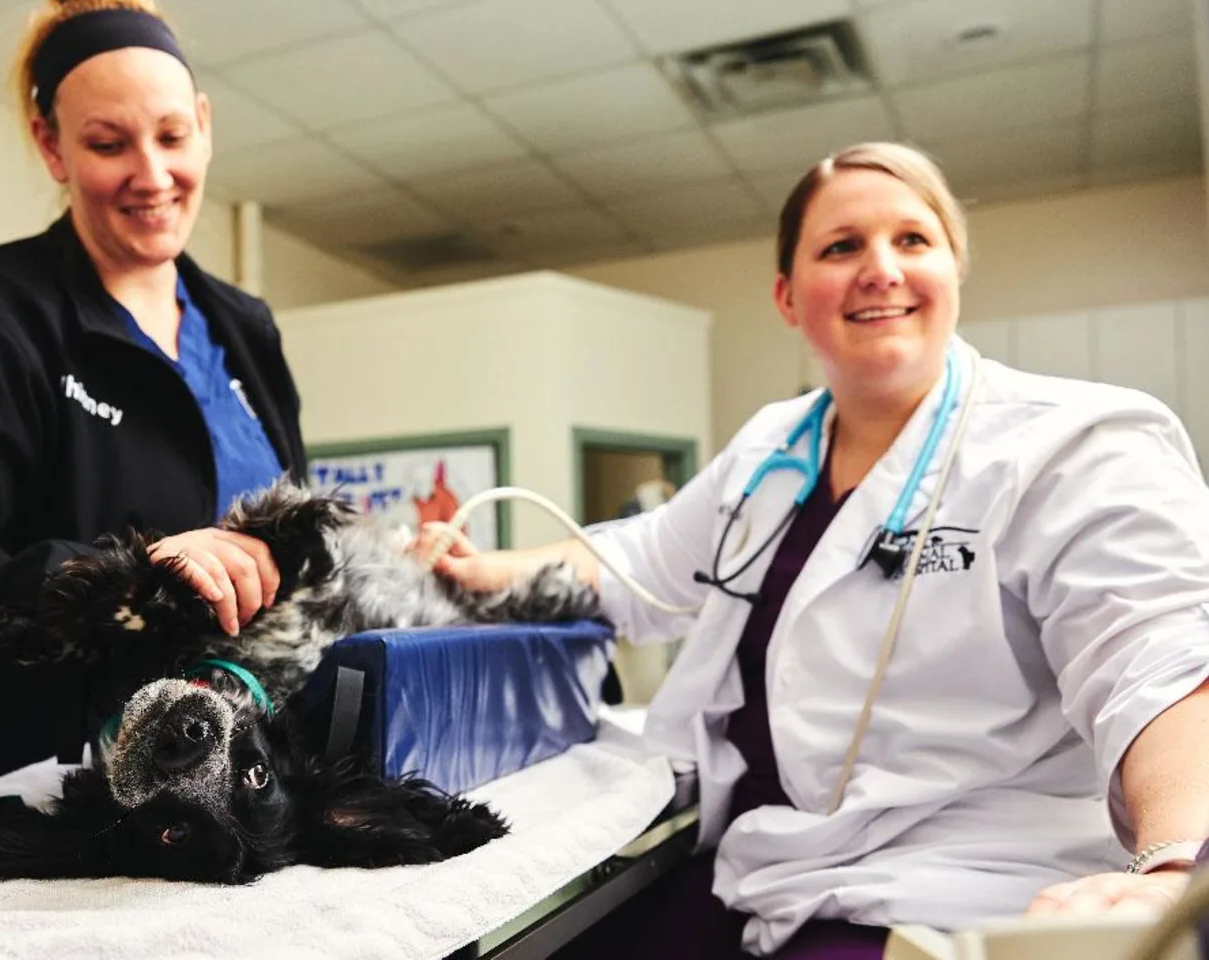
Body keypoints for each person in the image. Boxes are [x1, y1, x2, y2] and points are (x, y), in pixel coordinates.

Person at [419, 142, 1209, 958]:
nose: (881, 269)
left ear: (954, 271)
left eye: (912, 240)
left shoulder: (1073, 445)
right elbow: (643, 563)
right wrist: (485, 571)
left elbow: (1156, 659)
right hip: (760, 856)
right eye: (841, 247)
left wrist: (1175, 862)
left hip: (952, 885)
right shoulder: (772, 446)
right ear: (788, 298)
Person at [0, 0, 306, 813]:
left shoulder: (246, 331)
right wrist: (136, 578)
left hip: (206, 780)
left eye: (172, 136)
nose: (151, 175)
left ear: (204, 125)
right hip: (3, 793)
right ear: (51, 145)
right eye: (108, 144)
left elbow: (279, 546)